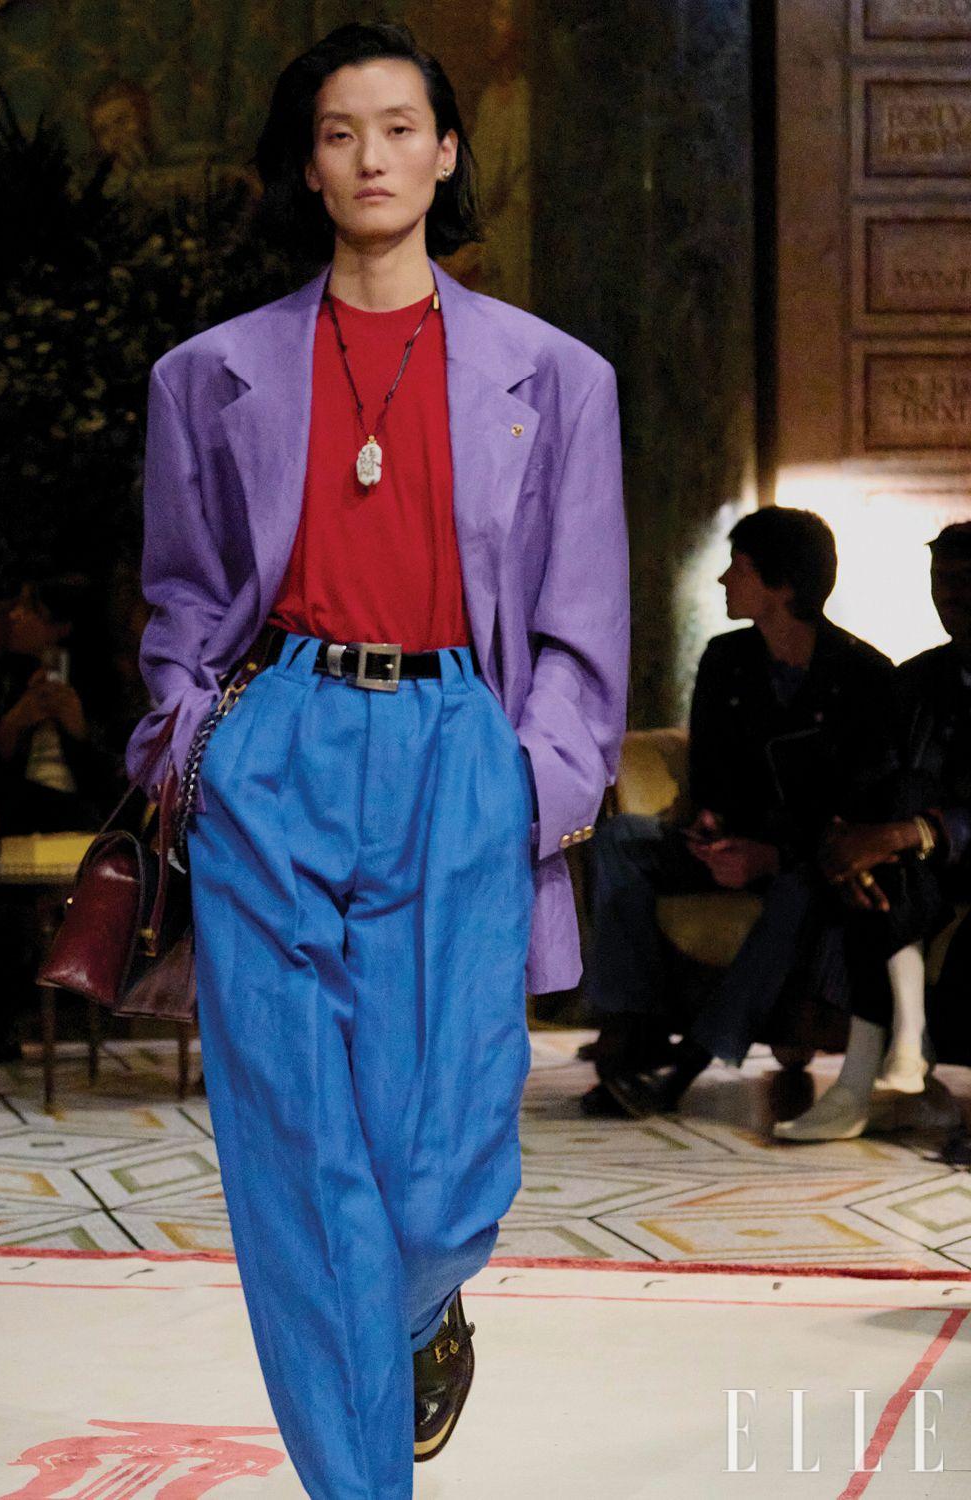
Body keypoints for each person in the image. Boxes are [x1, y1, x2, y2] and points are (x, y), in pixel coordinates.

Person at [122, 22, 628, 1498]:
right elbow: (179, 594)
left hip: (456, 747)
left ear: (446, 151)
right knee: (295, 1160)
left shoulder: (557, 376)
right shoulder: (207, 376)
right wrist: (196, 739)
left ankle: (414, 1311)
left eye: (400, 128)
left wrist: (530, 784)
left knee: (443, 1169)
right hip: (274, 744)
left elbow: (584, 617)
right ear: (309, 164)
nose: (371, 158)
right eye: (340, 132)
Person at [584, 508, 896, 1120]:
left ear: (783, 585)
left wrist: (772, 855)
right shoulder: (726, 657)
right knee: (621, 837)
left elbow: (863, 809)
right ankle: (635, 1025)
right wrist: (712, 824)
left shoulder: (865, 676)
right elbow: (713, 770)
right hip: (734, 846)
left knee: (801, 889)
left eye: (740, 568)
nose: (725, 580)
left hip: (808, 860)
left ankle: (691, 1058)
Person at [774, 523, 971, 1146]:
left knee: (898, 831)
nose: (952, 595)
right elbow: (870, 776)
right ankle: (899, 1051)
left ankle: (862, 1083)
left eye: (967, 581)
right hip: (920, 870)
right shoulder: (916, 679)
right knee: (878, 850)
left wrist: (912, 832)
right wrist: (848, 845)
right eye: (941, 581)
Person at [0, 575, 125, 1067]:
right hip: (13, 810)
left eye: (30, 610)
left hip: (81, 815)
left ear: (61, 627)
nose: (14, 617)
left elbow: (120, 783)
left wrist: (78, 731)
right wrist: (12, 724)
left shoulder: (102, 682)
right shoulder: (0, 678)